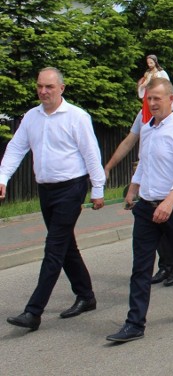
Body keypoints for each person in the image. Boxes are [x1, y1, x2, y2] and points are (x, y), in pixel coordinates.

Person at [0, 68, 105, 332]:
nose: (43, 91)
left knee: (54, 248)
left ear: (62, 88)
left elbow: (91, 153)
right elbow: (16, 148)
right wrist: (2, 177)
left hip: (72, 187)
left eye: (49, 87)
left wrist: (98, 188)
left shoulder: (76, 117)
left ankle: (33, 312)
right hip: (46, 189)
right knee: (66, 245)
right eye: (40, 86)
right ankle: (86, 296)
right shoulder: (31, 117)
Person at [106, 78, 173, 343]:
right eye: (149, 99)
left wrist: (169, 203)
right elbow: (144, 163)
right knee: (141, 267)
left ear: (170, 99)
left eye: (157, 98)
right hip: (146, 208)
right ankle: (134, 323)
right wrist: (133, 189)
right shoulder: (147, 129)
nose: (152, 103)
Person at [103, 102, 173, 287]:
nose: (150, 102)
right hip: (150, 190)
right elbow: (130, 142)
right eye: (146, 96)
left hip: (171, 189)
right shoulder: (144, 115)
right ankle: (166, 266)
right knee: (151, 234)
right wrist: (111, 168)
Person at [136, 55, 169, 124]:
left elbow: (167, 84)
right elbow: (143, 85)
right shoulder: (148, 74)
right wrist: (144, 85)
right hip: (148, 94)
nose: (149, 65)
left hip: (158, 94)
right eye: (148, 63)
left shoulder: (161, 73)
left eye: (151, 63)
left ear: (155, 62)